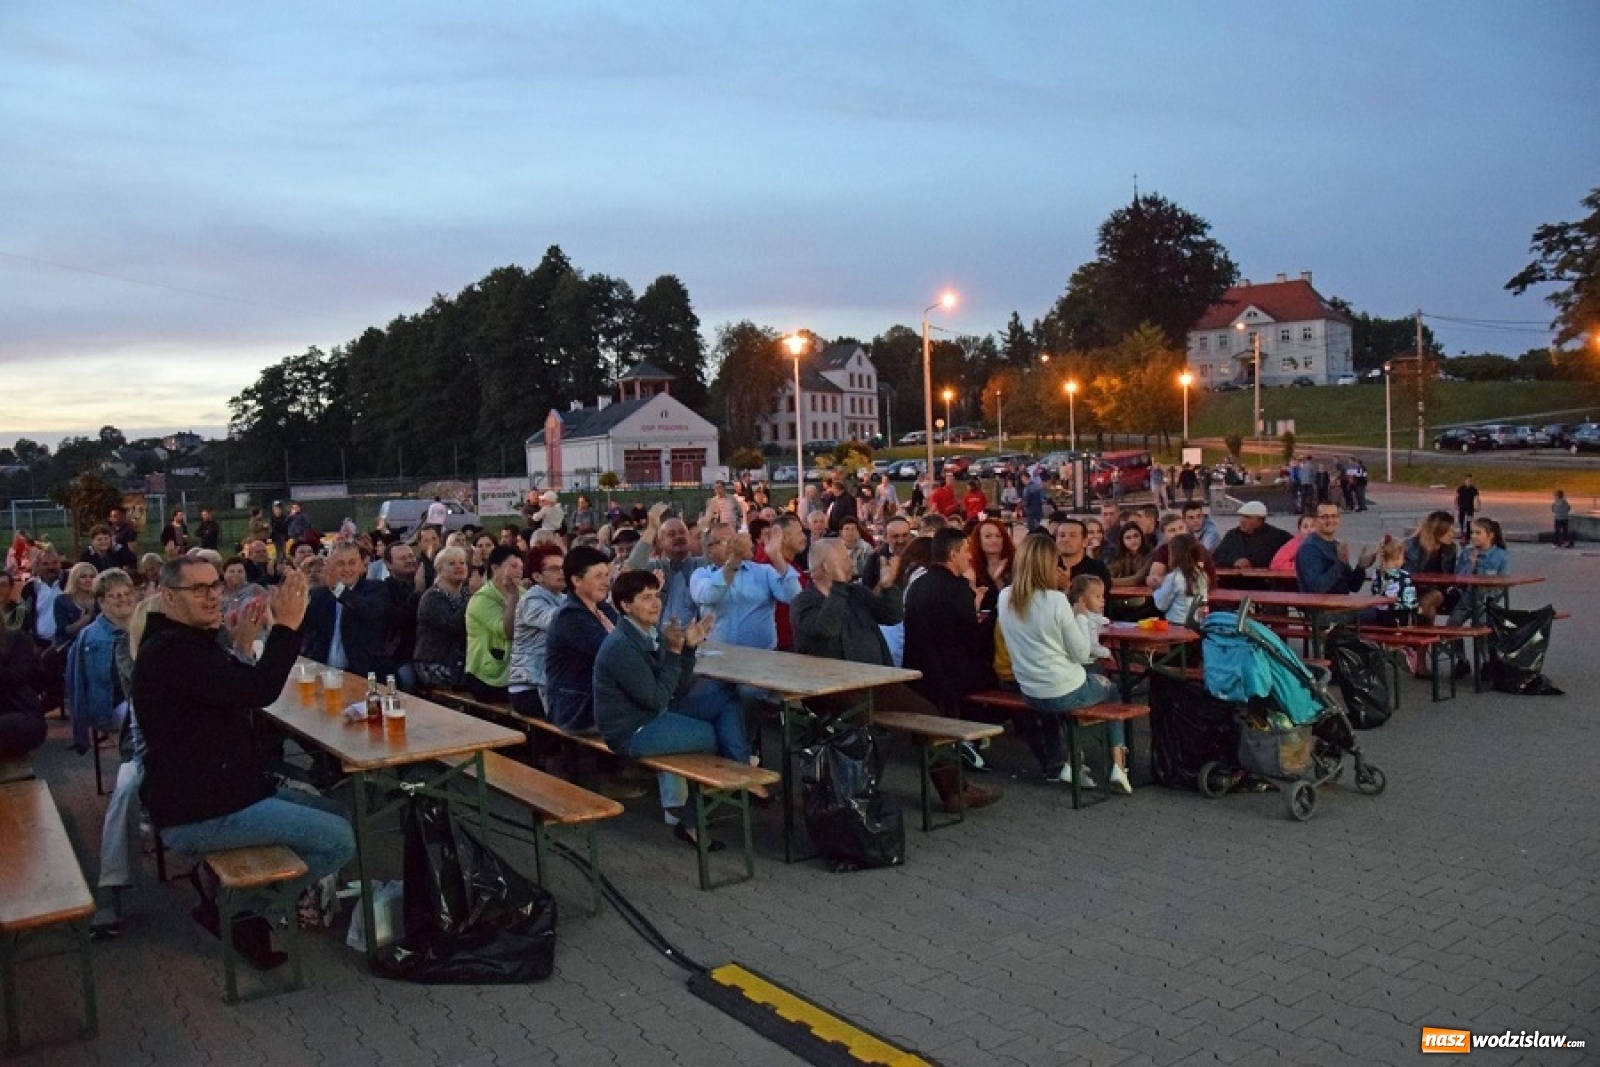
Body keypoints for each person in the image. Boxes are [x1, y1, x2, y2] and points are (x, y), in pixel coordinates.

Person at [134, 559, 353, 966]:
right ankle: (241, 909)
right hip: (202, 810)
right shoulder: (171, 654)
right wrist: (287, 626)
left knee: (336, 809)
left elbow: (225, 694)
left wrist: (238, 647)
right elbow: (258, 690)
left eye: (215, 585)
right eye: (197, 589)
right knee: (340, 839)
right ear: (167, 597)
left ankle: (243, 905)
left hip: (228, 788)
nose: (213, 594)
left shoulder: (187, 643)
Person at [794, 537, 1001, 813]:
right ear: (825, 567)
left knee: (928, 715)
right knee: (863, 729)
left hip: (875, 682)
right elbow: (826, 629)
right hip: (833, 689)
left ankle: (955, 790)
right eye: (843, 558)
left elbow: (890, 615)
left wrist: (890, 587)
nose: (851, 562)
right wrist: (839, 588)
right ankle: (855, 800)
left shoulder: (855, 593)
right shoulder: (803, 602)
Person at [593, 569, 751, 849]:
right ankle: (701, 813)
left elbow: (677, 688)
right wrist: (675, 653)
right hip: (633, 731)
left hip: (653, 715)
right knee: (721, 738)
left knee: (726, 695)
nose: (655, 603)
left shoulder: (644, 634)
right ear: (625, 606)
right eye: (645, 598)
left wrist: (687, 649)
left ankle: (738, 773)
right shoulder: (622, 646)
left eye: (656, 595)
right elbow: (657, 698)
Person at [997, 532, 1120, 789]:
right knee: (1111, 687)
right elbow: (1081, 653)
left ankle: (1067, 762)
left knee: (1056, 701)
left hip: (1029, 689)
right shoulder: (1055, 600)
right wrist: (1082, 617)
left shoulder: (1005, 596)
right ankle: (1118, 764)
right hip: (1062, 689)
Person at [544, 546, 618, 732]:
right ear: (576, 580)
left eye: (607, 575)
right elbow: (615, 654)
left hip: (598, 702)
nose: (606, 582)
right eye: (598, 576)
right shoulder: (570, 617)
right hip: (577, 709)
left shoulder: (602, 609)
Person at [300, 542, 391, 679]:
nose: (347, 569)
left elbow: (369, 611)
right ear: (328, 566)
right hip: (322, 672)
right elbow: (304, 629)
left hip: (363, 674)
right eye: (341, 563)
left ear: (361, 565)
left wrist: (338, 589)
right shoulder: (318, 595)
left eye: (352, 563)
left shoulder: (376, 589)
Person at [508, 543, 566, 720]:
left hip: (549, 684)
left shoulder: (563, 598)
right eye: (555, 568)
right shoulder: (532, 599)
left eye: (564, 567)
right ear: (537, 576)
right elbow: (558, 622)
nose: (562, 572)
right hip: (529, 688)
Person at [463, 545, 521, 703]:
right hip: (488, 678)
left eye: (521, 567)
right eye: (513, 566)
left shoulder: (523, 592)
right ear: (495, 568)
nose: (519, 571)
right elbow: (508, 631)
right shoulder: (482, 599)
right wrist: (513, 597)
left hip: (516, 672)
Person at [412, 545, 475, 690]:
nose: (459, 567)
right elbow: (454, 626)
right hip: (435, 664)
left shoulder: (467, 594)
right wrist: (473, 597)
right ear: (439, 569)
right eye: (452, 563)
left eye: (462, 563)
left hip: (461, 662)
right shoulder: (432, 598)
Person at [1295, 504, 1374, 594]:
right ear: (1315, 520)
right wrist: (1340, 564)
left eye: (1334, 516)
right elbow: (1316, 588)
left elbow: (1353, 586)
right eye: (1324, 517)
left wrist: (1361, 567)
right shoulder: (1309, 549)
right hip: (1321, 607)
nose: (1330, 520)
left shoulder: (1336, 546)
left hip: (1343, 604)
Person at [1402, 511, 1459, 620]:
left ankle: (1416, 628)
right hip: (1412, 590)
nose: (1453, 534)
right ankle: (1424, 632)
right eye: (1448, 531)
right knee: (1430, 609)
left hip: (1439, 591)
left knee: (1433, 596)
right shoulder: (1411, 546)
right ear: (1437, 531)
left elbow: (1450, 576)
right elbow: (1406, 575)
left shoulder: (1450, 548)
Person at [1214, 501, 1292, 569]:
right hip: (1233, 581)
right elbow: (1216, 557)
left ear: (1260, 520)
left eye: (1247, 517)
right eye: (1242, 516)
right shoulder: (1232, 535)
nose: (1242, 520)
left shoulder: (1277, 536)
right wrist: (1234, 561)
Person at [1153, 534, 1209, 626]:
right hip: (1198, 625)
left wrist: (1158, 589)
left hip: (1176, 624)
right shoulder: (1202, 575)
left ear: (1175, 555)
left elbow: (1161, 605)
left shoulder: (1174, 577)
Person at [1370, 539, 1420, 627]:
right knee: (1425, 618)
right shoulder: (1403, 576)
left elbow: (1374, 592)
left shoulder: (1376, 574)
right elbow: (1410, 601)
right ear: (1398, 558)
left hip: (1380, 616)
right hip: (1399, 618)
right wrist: (1417, 609)